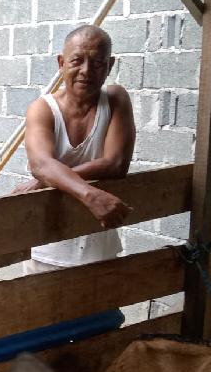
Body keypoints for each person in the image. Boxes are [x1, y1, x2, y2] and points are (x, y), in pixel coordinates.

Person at [17, 25, 137, 274]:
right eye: (77, 61)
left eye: (97, 62)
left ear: (110, 65)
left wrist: (47, 181)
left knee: (102, 314)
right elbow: (41, 164)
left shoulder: (116, 100)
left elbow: (115, 163)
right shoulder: (42, 109)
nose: (86, 71)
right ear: (61, 63)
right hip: (48, 250)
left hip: (101, 249)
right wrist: (91, 194)